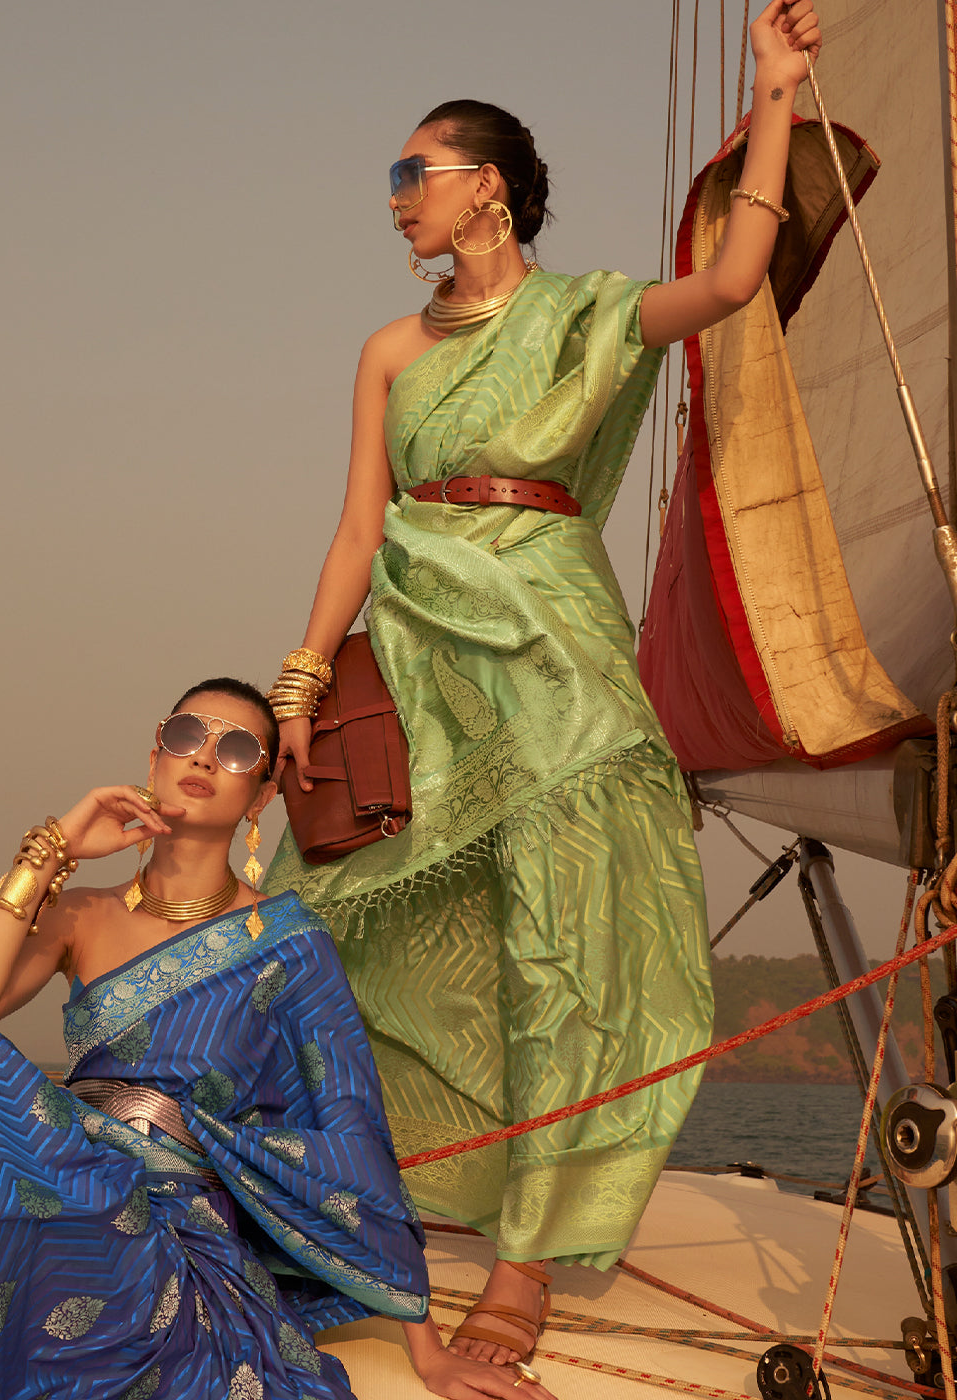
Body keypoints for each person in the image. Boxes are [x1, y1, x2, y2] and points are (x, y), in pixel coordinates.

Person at [264, 0, 822, 1370]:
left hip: (554, 643)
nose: (396, 197)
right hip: (417, 641)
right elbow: (356, 526)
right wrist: (298, 679)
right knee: (325, 915)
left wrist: (774, 90)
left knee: (568, 939)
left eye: (413, 171)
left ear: (487, 186)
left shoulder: (586, 315)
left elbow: (732, 280)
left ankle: (525, 1261)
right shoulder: (391, 351)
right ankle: (357, 1195)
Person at [0, 678, 555, 1400]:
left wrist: (427, 1352)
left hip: (166, 1222)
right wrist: (51, 851)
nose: (204, 757)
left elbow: (350, 1129)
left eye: (236, 749)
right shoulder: (81, 913)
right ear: (154, 757)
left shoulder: (289, 943)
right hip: (70, 1176)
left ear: (262, 796)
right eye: (186, 735)